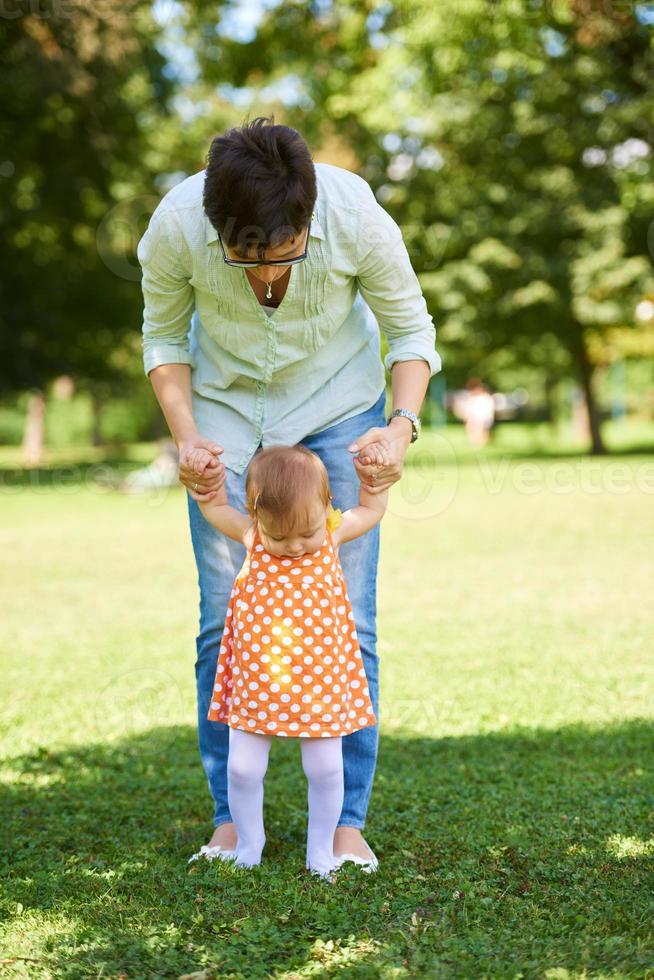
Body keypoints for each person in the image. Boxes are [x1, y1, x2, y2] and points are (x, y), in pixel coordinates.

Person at [137, 114, 442, 871]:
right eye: (246, 260)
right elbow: (165, 339)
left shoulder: (357, 218)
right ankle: (231, 822)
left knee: (353, 617)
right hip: (226, 411)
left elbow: (411, 333)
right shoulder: (175, 229)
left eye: (283, 257)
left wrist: (398, 431)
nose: (268, 278)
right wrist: (186, 437)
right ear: (216, 226)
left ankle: (344, 825)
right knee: (222, 620)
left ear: (306, 219)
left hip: (342, 406)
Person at [185, 441, 389, 879]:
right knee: (242, 768)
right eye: (280, 536)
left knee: (326, 769)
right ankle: (248, 840)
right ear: (257, 518)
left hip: (320, 685)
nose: (295, 546)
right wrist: (210, 491)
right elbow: (217, 511)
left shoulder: (331, 534)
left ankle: (321, 850)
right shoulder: (254, 537)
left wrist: (372, 484)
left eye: (306, 533)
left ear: (326, 509)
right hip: (258, 682)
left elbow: (370, 513)